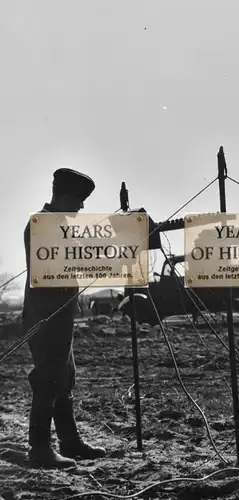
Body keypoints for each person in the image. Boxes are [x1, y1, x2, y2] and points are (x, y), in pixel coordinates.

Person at [22, 168, 106, 469]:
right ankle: (40, 448)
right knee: (48, 379)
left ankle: (69, 441)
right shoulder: (42, 225)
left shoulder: (56, 226)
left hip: (58, 315)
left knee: (65, 377)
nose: (81, 208)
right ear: (64, 196)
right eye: (78, 201)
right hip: (46, 316)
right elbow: (55, 268)